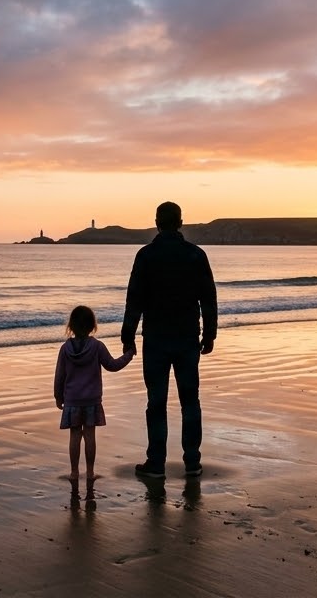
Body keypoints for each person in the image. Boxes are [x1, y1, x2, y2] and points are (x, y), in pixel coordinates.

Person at [121, 201, 217, 479]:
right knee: (190, 400)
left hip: (156, 339)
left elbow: (134, 299)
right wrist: (210, 333)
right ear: (180, 222)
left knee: (156, 402)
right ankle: (192, 462)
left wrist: (128, 335)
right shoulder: (195, 255)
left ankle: (156, 463)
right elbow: (208, 298)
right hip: (187, 337)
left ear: (157, 223)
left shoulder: (146, 256)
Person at [54, 305, 134, 492]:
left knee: (75, 436)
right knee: (89, 435)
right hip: (91, 400)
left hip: (72, 400)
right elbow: (112, 365)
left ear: (71, 326)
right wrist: (129, 355)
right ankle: (90, 472)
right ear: (92, 326)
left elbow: (60, 375)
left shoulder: (65, 349)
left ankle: (74, 472)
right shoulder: (97, 346)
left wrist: (58, 396)